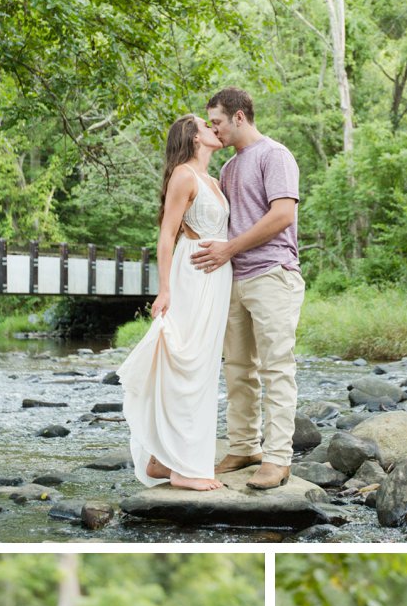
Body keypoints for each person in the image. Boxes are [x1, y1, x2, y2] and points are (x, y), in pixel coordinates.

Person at [191, 86, 305, 490]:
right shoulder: (228, 169)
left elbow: (282, 215)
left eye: (218, 122)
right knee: (238, 369)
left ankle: (277, 458)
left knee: (276, 367)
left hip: (272, 273)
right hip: (234, 280)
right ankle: (243, 446)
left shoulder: (275, 155)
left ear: (239, 117)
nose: (214, 130)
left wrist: (230, 249)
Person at [119, 114, 230, 491]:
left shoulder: (213, 181)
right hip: (191, 273)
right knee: (187, 361)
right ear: (192, 138)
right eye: (205, 125)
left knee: (204, 366)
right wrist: (164, 289)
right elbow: (166, 235)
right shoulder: (184, 174)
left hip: (217, 278)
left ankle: (162, 460)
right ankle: (182, 467)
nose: (214, 129)